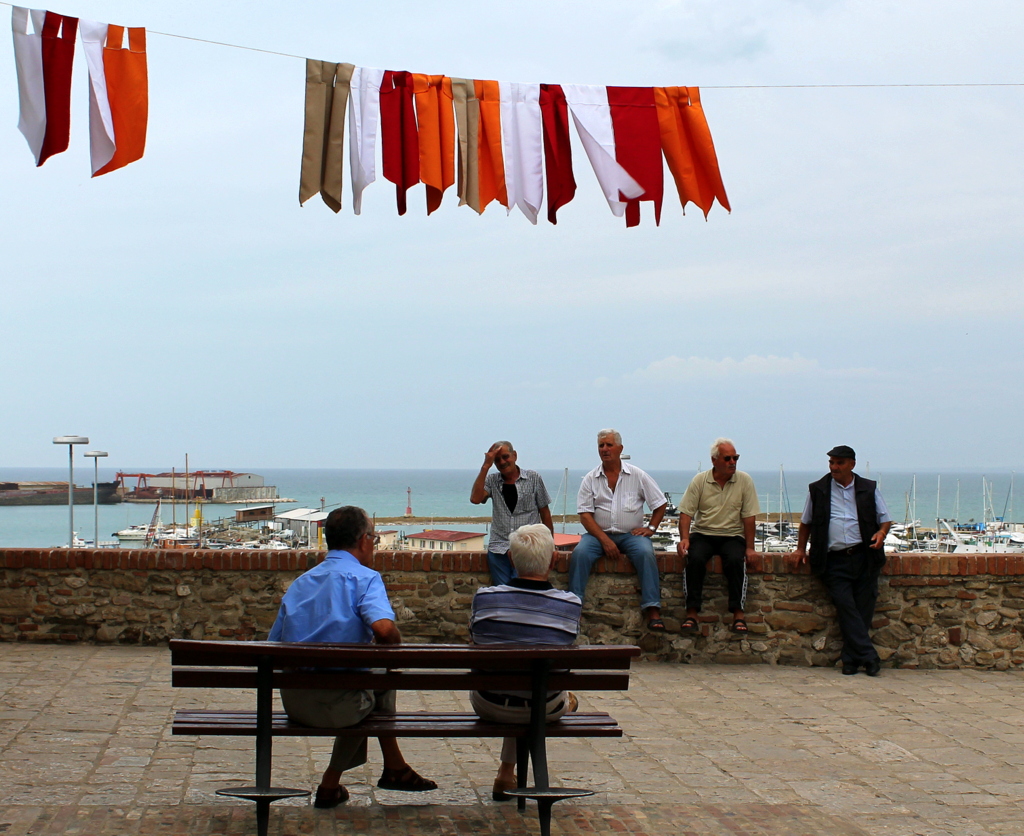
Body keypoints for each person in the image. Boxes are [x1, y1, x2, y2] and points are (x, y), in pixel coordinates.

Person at [267, 505, 437, 807]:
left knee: (368, 685)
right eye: (373, 537)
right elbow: (384, 630)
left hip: (296, 704)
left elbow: (273, 645)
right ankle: (353, 776)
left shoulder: (301, 583)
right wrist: (394, 648)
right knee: (379, 683)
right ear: (362, 540)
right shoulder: (365, 579)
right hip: (340, 709)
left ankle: (389, 768)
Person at [469, 523, 582, 800]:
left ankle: (506, 773)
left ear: (511, 558)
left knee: (517, 683)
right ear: (554, 560)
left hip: (489, 703)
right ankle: (507, 772)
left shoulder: (484, 599)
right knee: (534, 688)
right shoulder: (570, 605)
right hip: (545, 707)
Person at [789, 446, 892, 676]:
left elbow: (885, 519)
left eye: (839, 463)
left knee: (862, 610)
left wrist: (881, 533)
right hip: (833, 560)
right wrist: (800, 549)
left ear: (852, 464)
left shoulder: (868, 488)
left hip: (864, 556)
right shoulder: (818, 489)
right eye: (831, 463)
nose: (834, 467)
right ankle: (869, 657)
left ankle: (850, 660)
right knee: (845, 606)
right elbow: (806, 522)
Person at [568, 429, 668, 630]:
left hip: (631, 535)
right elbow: (585, 516)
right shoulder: (590, 478)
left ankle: (652, 609)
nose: (605, 449)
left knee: (646, 553)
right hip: (598, 536)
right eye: (601, 445)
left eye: (609, 445)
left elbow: (660, 503)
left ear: (620, 448)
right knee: (580, 554)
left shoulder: (637, 475)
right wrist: (604, 540)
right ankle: (573, 607)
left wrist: (651, 528)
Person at [677, 438, 760, 634]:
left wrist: (750, 548)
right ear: (714, 460)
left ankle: (738, 614)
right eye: (727, 458)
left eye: (735, 458)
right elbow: (686, 513)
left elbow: (749, 517)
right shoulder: (700, 481)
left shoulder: (745, 481)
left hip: (732, 535)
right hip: (703, 533)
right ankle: (692, 613)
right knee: (695, 559)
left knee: (736, 561)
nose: (732, 462)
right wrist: (685, 538)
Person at [470, 440, 554, 585]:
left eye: (505, 457)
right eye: (497, 460)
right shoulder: (492, 480)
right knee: (503, 592)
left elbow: (545, 513)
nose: (502, 462)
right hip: (499, 549)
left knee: (524, 590)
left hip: (527, 548)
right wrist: (485, 466)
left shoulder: (533, 478)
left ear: (514, 455)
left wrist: (550, 545)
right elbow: (475, 499)